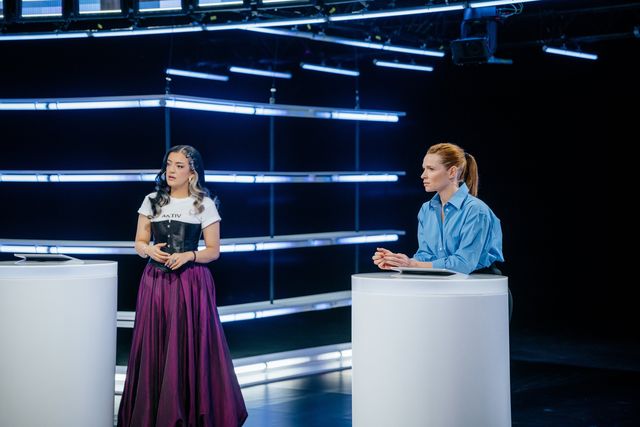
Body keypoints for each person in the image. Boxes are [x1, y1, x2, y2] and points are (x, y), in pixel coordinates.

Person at [117, 145, 247, 427]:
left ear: (192, 173)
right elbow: (139, 242)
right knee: (157, 345)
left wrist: (189, 255)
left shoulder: (204, 204)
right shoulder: (152, 200)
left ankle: (190, 413)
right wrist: (149, 250)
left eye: (179, 166)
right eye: (169, 164)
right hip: (155, 281)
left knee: (189, 345)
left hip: (191, 283)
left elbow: (213, 251)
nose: (171, 171)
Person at [372, 142, 504, 275]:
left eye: (431, 169)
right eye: (424, 169)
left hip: (481, 281)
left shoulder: (476, 210)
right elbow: (425, 255)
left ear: (452, 172)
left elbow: (464, 264)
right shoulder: (426, 209)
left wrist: (413, 264)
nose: (423, 175)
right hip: (444, 280)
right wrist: (399, 262)